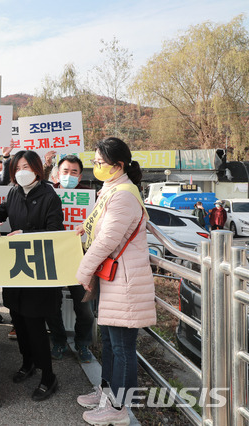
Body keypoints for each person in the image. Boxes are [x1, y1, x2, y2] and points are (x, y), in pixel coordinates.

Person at [75, 137, 155, 425]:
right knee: (109, 341)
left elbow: (109, 238)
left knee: (122, 347)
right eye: (94, 162)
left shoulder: (122, 194)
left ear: (118, 165)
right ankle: (107, 392)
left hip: (125, 280)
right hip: (114, 278)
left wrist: (84, 271)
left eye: (99, 163)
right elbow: (100, 229)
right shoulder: (112, 189)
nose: (95, 167)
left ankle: (120, 409)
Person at [0, 150, 62, 402]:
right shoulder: (14, 191)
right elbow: (4, 210)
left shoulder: (49, 195)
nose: (22, 171)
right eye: (17, 167)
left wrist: (25, 236)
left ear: (38, 169)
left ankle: (48, 376)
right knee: (18, 318)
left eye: (27, 166)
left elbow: (54, 232)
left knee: (34, 324)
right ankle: (27, 362)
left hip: (38, 270)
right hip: (16, 268)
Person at [46, 155, 95, 363]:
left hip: (81, 257)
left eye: (74, 172)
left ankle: (82, 344)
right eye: (65, 171)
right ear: (57, 173)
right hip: (53, 257)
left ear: (80, 175)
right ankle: (58, 341)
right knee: (51, 305)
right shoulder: (48, 193)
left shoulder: (91, 196)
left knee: (84, 307)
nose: (69, 175)